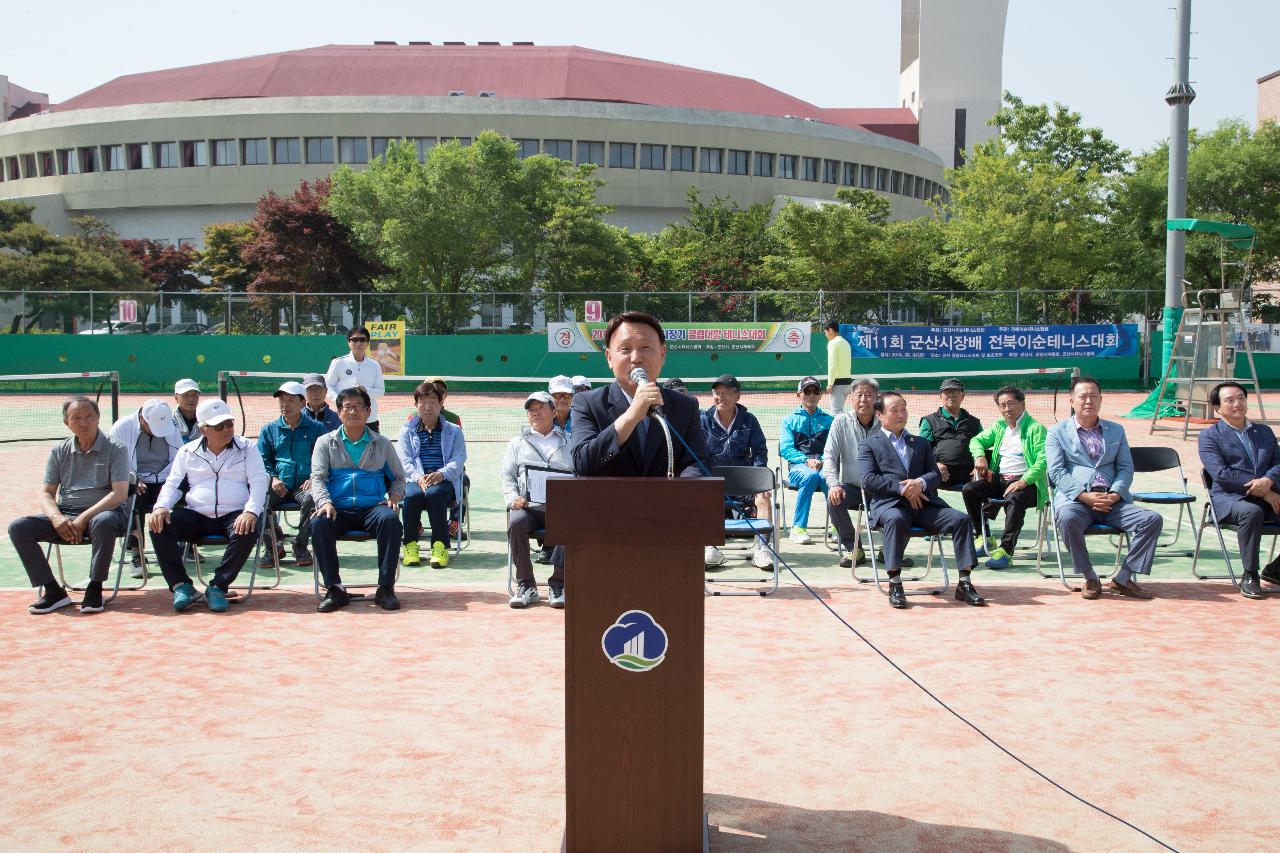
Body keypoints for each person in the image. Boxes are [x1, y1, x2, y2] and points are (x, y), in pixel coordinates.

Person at [856, 391, 983, 610]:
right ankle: (895, 583)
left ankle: (964, 582)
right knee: (896, 521)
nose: (900, 414)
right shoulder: (869, 445)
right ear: (880, 415)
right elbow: (868, 480)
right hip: (890, 505)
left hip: (925, 504)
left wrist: (921, 484)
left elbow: (934, 475)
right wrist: (905, 488)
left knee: (962, 520)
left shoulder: (921, 443)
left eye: (903, 409)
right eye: (894, 410)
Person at [1046, 376, 1163, 600]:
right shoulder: (1056, 432)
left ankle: (1123, 578)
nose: (1088, 401)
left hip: (1113, 501)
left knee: (1152, 519)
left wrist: (1116, 493)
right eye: (1082, 396)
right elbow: (1056, 472)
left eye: (1093, 396)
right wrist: (1083, 496)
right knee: (1067, 518)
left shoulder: (1116, 430)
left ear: (1101, 399)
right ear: (1071, 401)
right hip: (1076, 501)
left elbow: (1126, 467)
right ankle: (1090, 577)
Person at [9, 396, 130, 614]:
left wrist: (83, 519)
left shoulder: (117, 449)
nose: (84, 423)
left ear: (98, 418)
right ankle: (53, 591)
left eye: (89, 417)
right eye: (76, 418)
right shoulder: (58, 451)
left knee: (102, 521)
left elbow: (119, 493)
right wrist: (57, 518)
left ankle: (95, 588)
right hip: (66, 515)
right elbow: (46, 492)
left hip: (107, 514)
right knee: (19, 527)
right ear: (67, 423)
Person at [149, 399, 269, 613]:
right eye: (219, 426)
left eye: (229, 424)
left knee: (249, 528)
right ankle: (181, 586)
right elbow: (173, 484)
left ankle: (218, 587)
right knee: (158, 524)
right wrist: (161, 507)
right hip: (195, 514)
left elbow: (259, 482)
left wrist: (251, 511)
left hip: (235, 514)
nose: (227, 429)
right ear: (203, 429)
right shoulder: (187, 451)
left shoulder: (248, 448)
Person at [570, 311, 708, 478]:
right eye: (625, 349)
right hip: (608, 503)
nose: (636, 358)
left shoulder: (686, 406)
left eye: (645, 347)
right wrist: (632, 415)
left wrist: (677, 494)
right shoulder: (587, 403)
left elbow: (696, 463)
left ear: (662, 354)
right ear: (609, 358)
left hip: (666, 502)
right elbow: (583, 463)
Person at [309, 387, 406, 612]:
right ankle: (334, 589)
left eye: (359, 407)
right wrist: (325, 502)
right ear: (339, 411)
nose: (354, 411)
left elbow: (400, 478)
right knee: (319, 523)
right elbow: (318, 478)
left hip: (372, 507)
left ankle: (385, 588)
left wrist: (394, 495)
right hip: (337, 509)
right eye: (348, 407)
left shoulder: (381, 443)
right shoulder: (325, 442)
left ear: (368, 411)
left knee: (390, 520)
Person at [1197, 381, 1280, 599]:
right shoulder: (1209, 436)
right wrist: (1262, 488)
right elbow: (1221, 474)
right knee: (1252, 512)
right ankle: (1250, 575)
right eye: (1230, 400)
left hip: (1267, 493)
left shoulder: (1264, 431)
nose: (1237, 404)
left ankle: (1276, 568)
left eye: (1241, 398)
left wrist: (1268, 481)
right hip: (1230, 498)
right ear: (1218, 408)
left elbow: (1278, 463)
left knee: (1261, 509)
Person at [824, 378, 915, 570]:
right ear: (851, 399)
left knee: (909, 500)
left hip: (883, 488)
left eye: (868, 395)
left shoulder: (886, 421)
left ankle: (890, 549)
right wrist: (833, 484)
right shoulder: (840, 422)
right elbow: (830, 456)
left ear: (877, 399)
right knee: (833, 499)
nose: (863, 400)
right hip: (854, 488)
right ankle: (853, 548)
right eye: (859, 395)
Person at [963, 386, 1048, 570]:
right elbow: (976, 441)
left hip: (1028, 482)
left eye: (1011, 403)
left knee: (1015, 497)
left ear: (1022, 404)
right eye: (1003, 405)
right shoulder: (999, 426)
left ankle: (1006, 550)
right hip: (1001, 480)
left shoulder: (1036, 429)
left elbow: (1043, 461)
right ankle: (984, 537)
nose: (1007, 409)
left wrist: (1023, 481)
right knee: (970, 490)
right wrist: (980, 456)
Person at [502, 391, 572, 609]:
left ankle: (558, 584)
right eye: (531, 410)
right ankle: (526, 585)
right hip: (529, 508)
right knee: (516, 522)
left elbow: (580, 473)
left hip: (561, 509)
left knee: (571, 523)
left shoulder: (570, 441)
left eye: (540, 408)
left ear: (553, 411)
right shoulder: (517, 443)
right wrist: (513, 499)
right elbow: (507, 476)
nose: (535, 413)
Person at [700, 374, 773, 570]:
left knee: (764, 497)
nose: (720, 397)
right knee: (700, 496)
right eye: (717, 393)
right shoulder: (702, 421)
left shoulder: (749, 421)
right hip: (714, 484)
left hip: (744, 485)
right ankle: (710, 548)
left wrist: (759, 482)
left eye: (726, 393)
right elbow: (696, 454)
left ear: (737, 396)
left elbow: (760, 451)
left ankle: (763, 548)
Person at [257, 381, 327, 569]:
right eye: (281, 400)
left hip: (303, 486)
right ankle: (273, 545)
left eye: (290, 400)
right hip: (277, 485)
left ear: (303, 403)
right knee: (257, 501)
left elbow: (325, 458)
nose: (284, 405)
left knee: (313, 498)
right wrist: (273, 478)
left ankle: (300, 545)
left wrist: (314, 477)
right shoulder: (268, 430)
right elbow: (262, 460)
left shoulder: (317, 428)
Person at [109, 398, 183, 576]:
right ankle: (136, 552)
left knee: (187, 492)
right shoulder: (121, 428)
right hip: (136, 481)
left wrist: (171, 482)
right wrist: (131, 478)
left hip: (166, 480)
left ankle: (182, 545)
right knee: (133, 497)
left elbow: (181, 459)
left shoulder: (171, 426)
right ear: (142, 419)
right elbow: (113, 462)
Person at [398, 380, 467, 569]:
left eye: (433, 402)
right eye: (422, 402)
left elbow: (459, 459)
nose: (427, 407)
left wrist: (441, 474)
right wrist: (418, 477)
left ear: (441, 404)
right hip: (415, 479)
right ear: (416, 405)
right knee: (411, 495)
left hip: (445, 480)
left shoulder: (454, 431)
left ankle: (440, 546)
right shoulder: (406, 431)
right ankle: (410, 545)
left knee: (434, 494)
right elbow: (404, 461)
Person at [779, 376, 833, 544]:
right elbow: (785, 449)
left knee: (828, 478)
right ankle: (798, 528)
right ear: (799, 395)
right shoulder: (789, 421)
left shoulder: (830, 420)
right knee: (810, 476)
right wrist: (805, 460)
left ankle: (837, 526)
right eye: (807, 391)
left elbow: (834, 447)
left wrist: (822, 460)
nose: (811, 395)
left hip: (824, 466)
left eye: (815, 391)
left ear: (820, 395)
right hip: (798, 468)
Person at [919, 378, 983, 488]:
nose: (951, 395)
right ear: (940, 396)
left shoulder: (974, 422)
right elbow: (923, 449)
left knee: (994, 486)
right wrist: (935, 464)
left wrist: (979, 466)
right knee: (922, 484)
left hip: (970, 473)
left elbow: (982, 445)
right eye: (947, 392)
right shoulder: (929, 421)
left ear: (963, 395)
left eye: (955, 391)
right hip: (941, 473)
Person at [325, 325, 386, 432]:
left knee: (372, 448)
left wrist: (366, 391)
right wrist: (340, 401)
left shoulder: (374, 365)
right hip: (344, 418)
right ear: (349, 342)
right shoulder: (338, 363)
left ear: (367, 343)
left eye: (362, 340)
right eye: (354, 340)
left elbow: (380, 391)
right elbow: (328, 386)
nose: (358, 343)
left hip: (369, 419)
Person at [823, 320, 852, 412]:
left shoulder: (832, 343)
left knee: (836, 414)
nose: (825, 335)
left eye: (825, 332)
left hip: (838, 384)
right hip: (847, 383)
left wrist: (830, 384)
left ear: (830, 330)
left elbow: (832, 365)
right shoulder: (846, 343)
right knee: (840, 412)